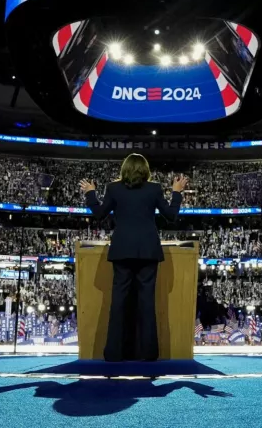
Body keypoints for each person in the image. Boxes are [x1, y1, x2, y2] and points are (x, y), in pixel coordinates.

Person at [80, 153, 188, 362]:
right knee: (147, 303)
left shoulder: (113, 188)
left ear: (124, 170)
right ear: (146, 171)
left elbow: (100, 213)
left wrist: (91, 194)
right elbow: (171, 215)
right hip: (148, 251)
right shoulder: (154, 189)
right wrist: (176, 193)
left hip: (122, 251)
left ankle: (113, 353)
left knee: (118, 302)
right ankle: (148, 354)